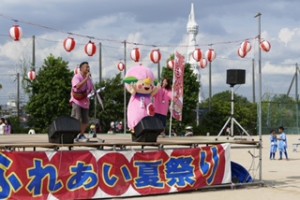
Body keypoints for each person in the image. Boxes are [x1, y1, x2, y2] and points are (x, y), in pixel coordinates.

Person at [70, 61, 94, 142]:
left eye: (88, 67)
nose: (88, 68)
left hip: (85, 101)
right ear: (81, 68)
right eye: (86, 67)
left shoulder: (89, 79)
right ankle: (73, 135)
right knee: (77, 118)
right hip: (77, 101)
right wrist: (86, 79)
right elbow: (77, 86)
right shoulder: (76, 77)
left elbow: (90, 89)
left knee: (85, 120)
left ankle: (81, 134)